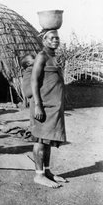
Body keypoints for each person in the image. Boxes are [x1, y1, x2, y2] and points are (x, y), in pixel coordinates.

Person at [31, 29, 67, 188]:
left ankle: (47, 172)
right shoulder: (42, 56)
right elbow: (34, 81)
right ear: (44, 40)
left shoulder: (54, 57)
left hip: (54, 107)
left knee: (48, 140)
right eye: (51, 38)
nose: (55, 40)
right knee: (40, 140)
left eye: (57, 38)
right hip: (43, 106)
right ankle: (39, 175)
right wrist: (38, 105)